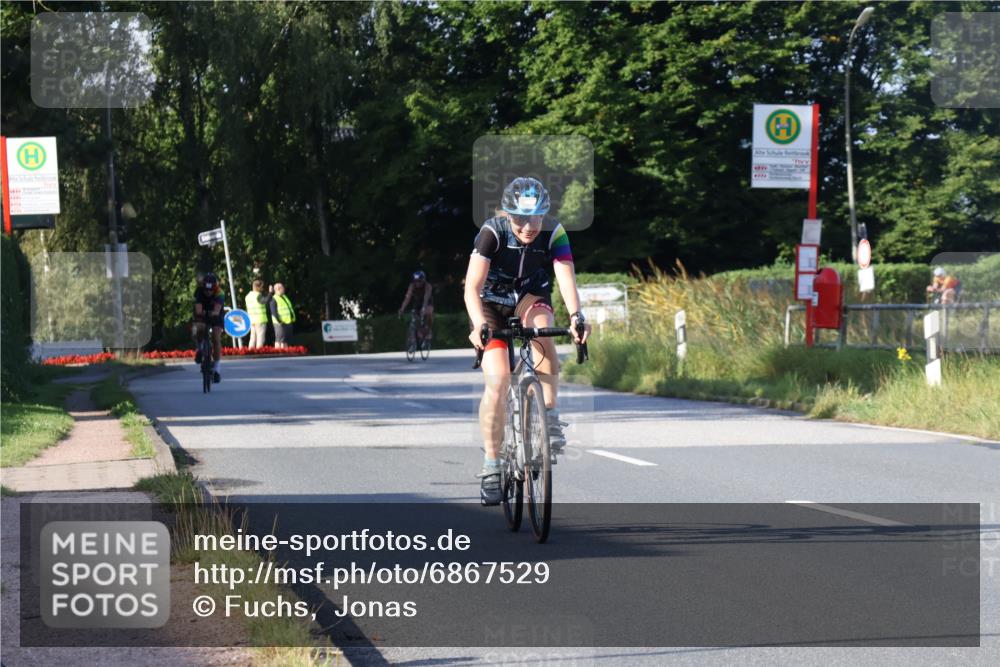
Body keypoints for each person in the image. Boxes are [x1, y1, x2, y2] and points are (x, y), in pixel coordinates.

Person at [464, 176, 591, 505]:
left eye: (535, 217)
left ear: (544, 214)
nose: (528, 226)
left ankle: (548, 416)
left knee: (544, 328)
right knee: (499, 378)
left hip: (529, 296)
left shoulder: (554, 232)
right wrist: (478, 323)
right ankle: (492, 463)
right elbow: (471, 287)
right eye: (519, 218)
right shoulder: (492, 233)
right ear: (507, 215)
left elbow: (565, 278)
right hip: (491, 303)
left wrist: (577, 316)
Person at [193, 272, 224, 383]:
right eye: (206, 290)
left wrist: (213, 313)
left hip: (216, 314)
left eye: (211, 290)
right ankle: (200, 348)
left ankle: (217, 369)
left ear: (215, 288)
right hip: (203, 312)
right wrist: (201, 313)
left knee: (216, 338)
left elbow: (217, 310)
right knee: (199, 327)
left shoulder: (220, 292)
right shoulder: (199, 291)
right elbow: (198, 309)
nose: (208, 292)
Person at [398, 270, 434, 341]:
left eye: (419, 281)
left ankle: (429, 330)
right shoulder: (412, 286)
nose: (417, 283)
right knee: (415, 316)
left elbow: (426, 297)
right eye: (416, 281)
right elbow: (407, 298)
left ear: (423, 280)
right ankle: (416, 334)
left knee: (428, 312)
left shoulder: (428, 286)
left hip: (428, 302)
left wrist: (424, 307)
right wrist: (402, 308)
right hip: (418, 302)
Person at [245, 279, 269, 349]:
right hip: (260, 319)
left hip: (251, 320)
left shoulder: (248, 296)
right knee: (260, 337)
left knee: (252, 337)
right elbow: (265, 301)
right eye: (262, 287)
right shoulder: (258, 295)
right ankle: (259, 352)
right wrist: (270, 293)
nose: (263, 289)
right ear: (258, 287)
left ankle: (250, 352)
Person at [270, 282, 295, 348]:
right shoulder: (274, 299)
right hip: (279, 322)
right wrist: (279, 320)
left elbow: (289, 308)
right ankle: (278, 354)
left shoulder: (284, 297)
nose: (283, 289)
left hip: (287, 321)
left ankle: (285, 353)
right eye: (282, 288)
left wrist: (292, 317)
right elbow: (274, 311)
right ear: (278, 289)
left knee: (285, 339)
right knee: (279, 339)